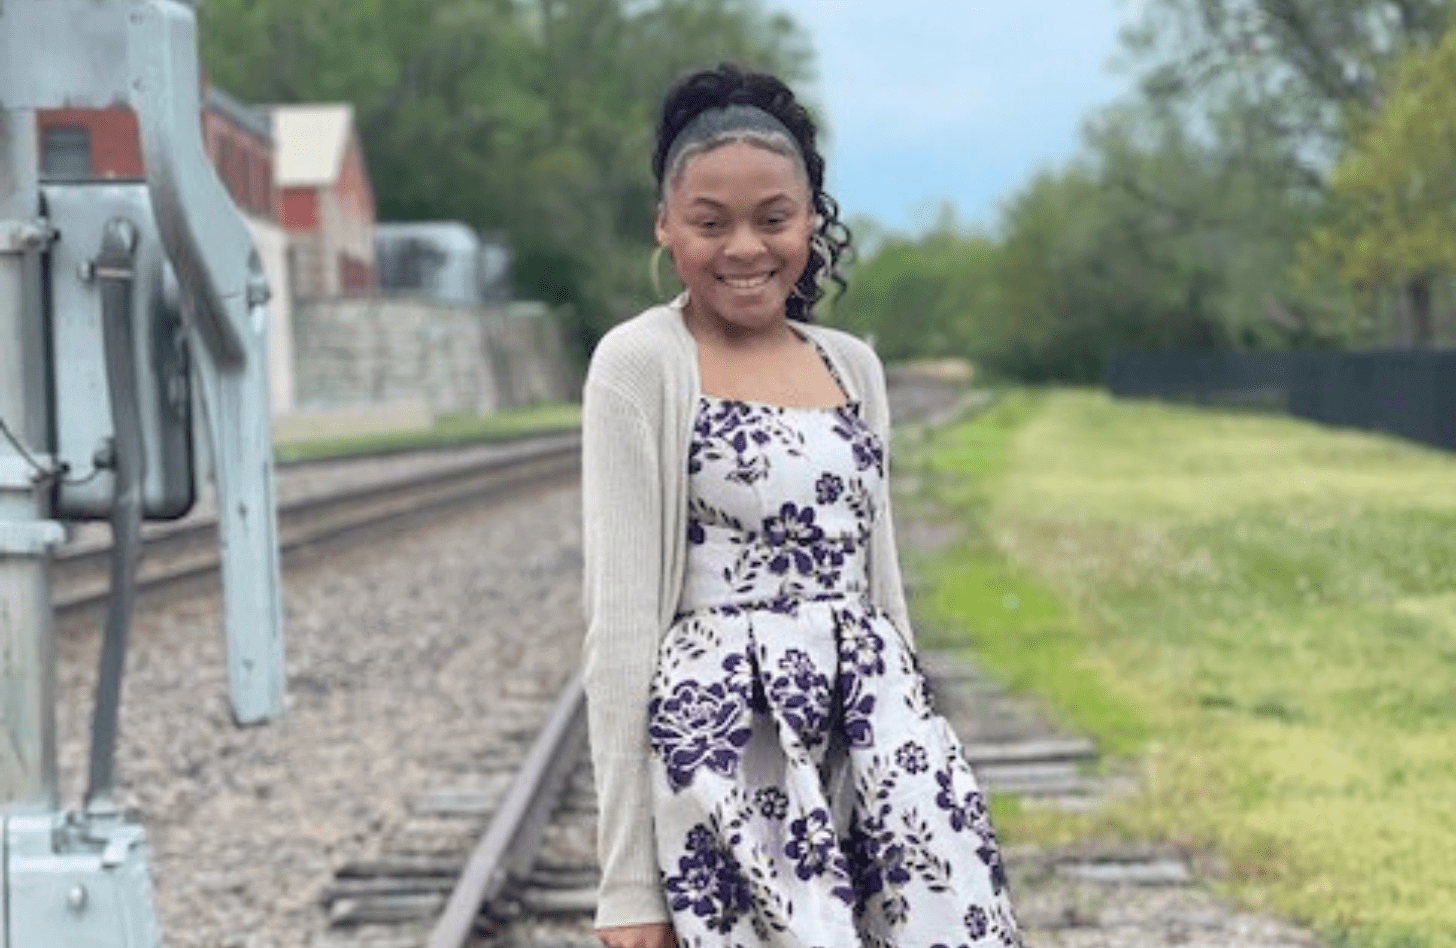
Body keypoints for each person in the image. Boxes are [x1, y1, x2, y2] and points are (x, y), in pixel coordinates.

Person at [581, 62, 1021, 948]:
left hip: (877, 737)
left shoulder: (850, 365)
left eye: (773, 218)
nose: (745, 249)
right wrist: (628, 887)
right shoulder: (641, 365)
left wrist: (921, 753)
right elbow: (623, 629)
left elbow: (883, 590)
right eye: (711, 223)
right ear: (666, 226)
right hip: (732, 761)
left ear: (811, 218)